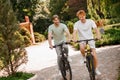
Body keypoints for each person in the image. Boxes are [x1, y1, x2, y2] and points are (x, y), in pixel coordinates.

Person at [73, 10, 101, 75]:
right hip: (82, 40)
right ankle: (83, 57)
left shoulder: (90, 21)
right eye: (80, 17)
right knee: (82, 48)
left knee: (94, 55)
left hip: (91, 39)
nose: (82, 18)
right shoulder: (77, 24)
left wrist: (98, 35)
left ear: (85, 15)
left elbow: (96, 29)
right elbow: (74, 32)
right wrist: (74, 38)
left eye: (82, 16)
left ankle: (96, 69)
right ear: (78, 17)